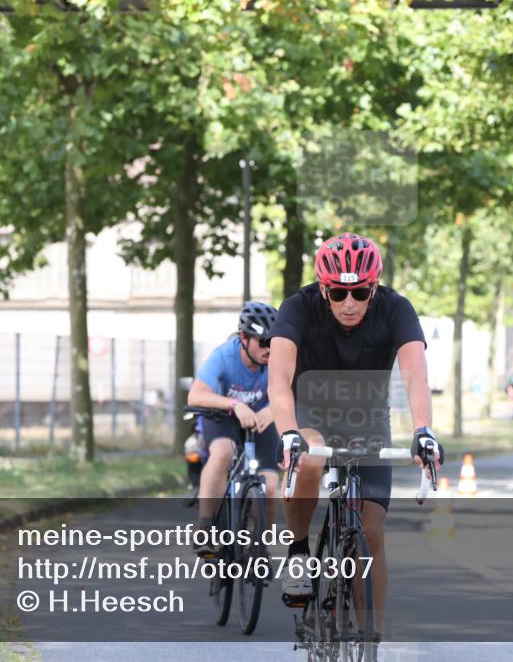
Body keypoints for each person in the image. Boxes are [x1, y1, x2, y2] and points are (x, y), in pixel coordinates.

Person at [267, 232, 444, 640]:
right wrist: (288, 432)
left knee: (373, 532)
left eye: (361, 292)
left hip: (366, 420)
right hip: (310, 413)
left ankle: (370, 638)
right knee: (308, 456)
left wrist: (423, 431)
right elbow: (278, 380)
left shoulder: (397, 309)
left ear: (375, 287)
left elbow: (416, 376)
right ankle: (298, 551)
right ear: (323, 289)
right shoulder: (297, 307)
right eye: (339, 293)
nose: (350, 303)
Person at [189, 301, 281, 557]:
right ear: (243, 338)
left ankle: (260, 546)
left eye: (273, 342)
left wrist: (274, 408)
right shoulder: (223, 356)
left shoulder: (277, 359)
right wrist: (233, 404)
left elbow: (294, 392)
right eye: (263, 343)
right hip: (222, 415)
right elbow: (196, 395)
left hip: (261, 419)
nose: (269, 350)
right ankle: (205, 527)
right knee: (222, 453)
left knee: (271, 487)